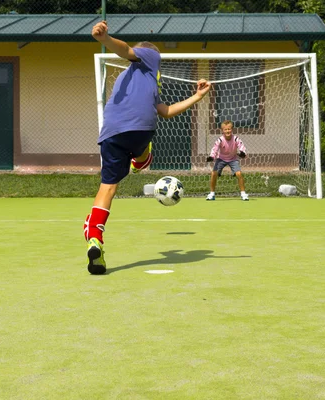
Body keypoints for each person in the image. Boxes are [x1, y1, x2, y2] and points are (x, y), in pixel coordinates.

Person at [84, 20, 211, 275]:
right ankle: (141, 160)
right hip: (139, 129)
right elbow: (126, 51)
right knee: (142, 147)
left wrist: (196, 97)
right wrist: (105, 39)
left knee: (107, 188)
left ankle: (95, 237)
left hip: (110, 132)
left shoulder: (136, 81)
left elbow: (165, 110)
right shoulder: (150, 56)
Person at [206, 120, 249, 201]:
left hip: (233, 159)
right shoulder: (220, 140)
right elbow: (215, 149)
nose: (227, 131)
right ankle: (212, 194)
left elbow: (241, 146)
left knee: (239, 174)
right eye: (225, 129)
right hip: (221, 159)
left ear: (232, 129)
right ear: (222, 130)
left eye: (229, 129)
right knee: (213, 173)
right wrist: (212, 157)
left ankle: (243, 194)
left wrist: (243, 153)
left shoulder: (236, 139)